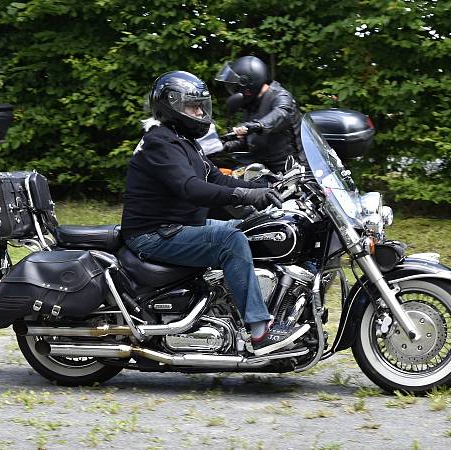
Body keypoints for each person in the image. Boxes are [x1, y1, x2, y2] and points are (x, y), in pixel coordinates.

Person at [121, 71, 310, 356]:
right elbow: (192, 188)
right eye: (193, 107)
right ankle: (259, 330)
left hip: (178, 225)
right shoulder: (160, 142)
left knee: (253, 227)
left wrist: (262, 185)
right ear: (171, 105)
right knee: (230, 239)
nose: (200, 112)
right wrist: (246, 195)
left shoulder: (182, 140)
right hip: (153, 233)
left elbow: (217, 179)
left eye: (201, 106)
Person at [215, 56, 303, 174]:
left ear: (247, 85)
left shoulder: (280, 96)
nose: (233, 92)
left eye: (235, 87)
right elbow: (248, 140)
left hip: (294, 172)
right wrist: (225, 145)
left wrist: (257, 125)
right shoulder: (251, 104)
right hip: (265, 170)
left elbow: (281, 114)